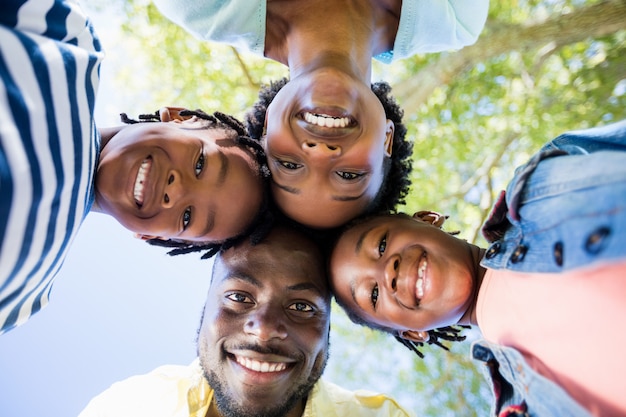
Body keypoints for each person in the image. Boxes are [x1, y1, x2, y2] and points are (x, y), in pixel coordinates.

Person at [0, 0, 270, 334]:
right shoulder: (71, 43)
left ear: (152, 236)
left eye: (188, 217)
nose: (177, 190)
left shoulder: (25, 294)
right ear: (181, 116)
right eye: (200, 163)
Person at [329, 120, 626, 416]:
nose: (388, 273)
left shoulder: (539, 185)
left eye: (381, 245)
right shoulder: (521, 406)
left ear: (426, 219)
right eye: (374, 294)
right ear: (413, 333)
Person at [153, 0, 490, 229]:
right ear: (386, 139)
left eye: (289, 165)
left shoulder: (202, 8)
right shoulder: (453, 19)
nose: (320, 153)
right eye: (348, 176)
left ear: (268, 127)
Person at [78, 223, 413, 417]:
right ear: (205, 306)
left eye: (301, 306)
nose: (265, 329)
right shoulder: (128, 407)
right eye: (239, 297)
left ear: (328, 329)